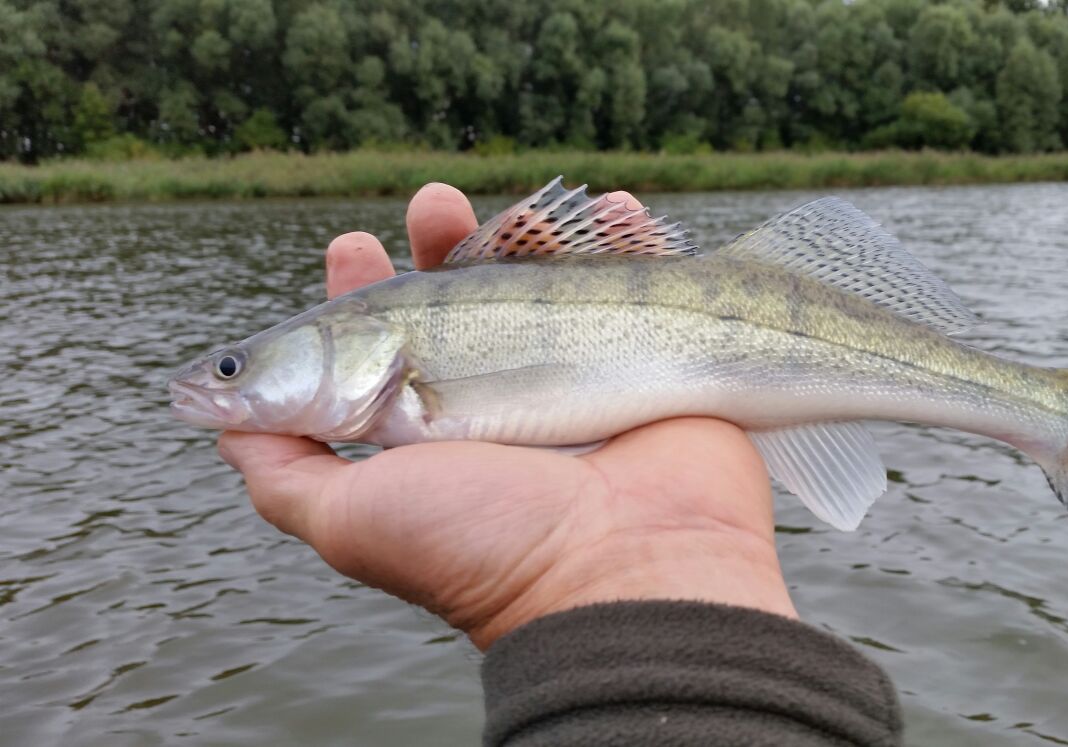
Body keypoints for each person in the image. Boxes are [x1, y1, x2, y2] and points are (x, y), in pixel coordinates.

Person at [218, 183, 903, 746]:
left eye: (232, 367)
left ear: (345, 342)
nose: (220, 382)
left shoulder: (401, 356)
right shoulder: (395, 372)